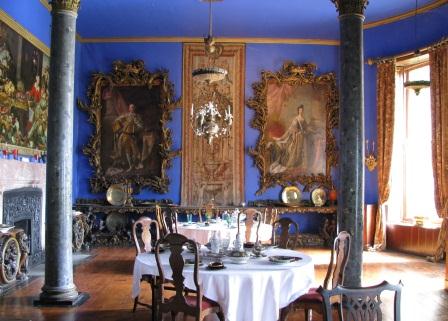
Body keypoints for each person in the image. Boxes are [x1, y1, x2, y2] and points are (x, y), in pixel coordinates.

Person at [268, 104, 308, 174]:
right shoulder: (296, 119)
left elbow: (305, 129)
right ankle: (290, 164)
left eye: (301, 110)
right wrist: (295, 133)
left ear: (303, 111)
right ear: (298, 111)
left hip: (301, 137)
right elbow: (292, 128)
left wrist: (303, 132)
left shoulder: (304, 120)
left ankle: (298, 164)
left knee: (299, 151)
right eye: (299, 110)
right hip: (296, 137)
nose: (300, 111)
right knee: (293, 150)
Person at [112, 103, 143, 172]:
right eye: (130, 107)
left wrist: (136, 126)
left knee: (135, 151)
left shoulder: (137, 116)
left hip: (132, 136)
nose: (132, 109)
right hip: (124, 135)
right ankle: (130, 166)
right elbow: (118, 120)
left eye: (133, 107)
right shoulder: (126, 116)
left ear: (134, 108)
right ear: (129, 109)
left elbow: (141, 126)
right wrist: (118, 127)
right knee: (126, 150)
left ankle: (134, 164)